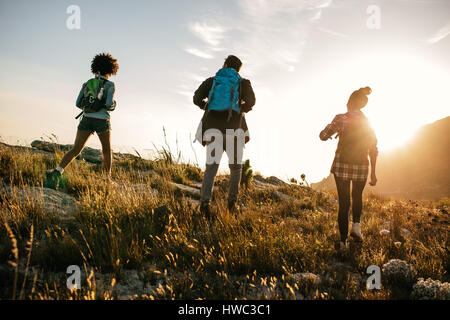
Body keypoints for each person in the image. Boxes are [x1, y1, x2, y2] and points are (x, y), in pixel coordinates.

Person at [193, 55, 256, 218]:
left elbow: (196, 98)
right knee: (235, 168)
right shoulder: (243, 82)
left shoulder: (213, 80)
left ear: (225, 64)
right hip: (234, 129)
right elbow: (251, 101)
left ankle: (204, 205)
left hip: (213, 129)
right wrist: (240, 109)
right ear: (238, 69)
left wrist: (207, 107)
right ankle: (231, 204)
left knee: (211, 168)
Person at [45, 53, 119, 187]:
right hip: (102, 121)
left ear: (95, 68)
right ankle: (107, 179)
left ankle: (57, 171)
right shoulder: (110, 85)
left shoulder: (87, 84)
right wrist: (114, 104)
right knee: (106, 150)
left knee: (76, 149)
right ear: (111, 69)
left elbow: (78, 103)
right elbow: (109, 105)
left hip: (86, 119)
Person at [319, 86, 378, 250]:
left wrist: (329, 132)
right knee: (357, 196)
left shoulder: (341, 118)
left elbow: (323, 136)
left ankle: (343, 242)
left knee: (344, 203)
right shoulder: (368, 123)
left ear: (350, 102)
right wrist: (373, 172)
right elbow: (373, 149)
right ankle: (356, 227)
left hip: (342, 166)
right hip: (361, 167)